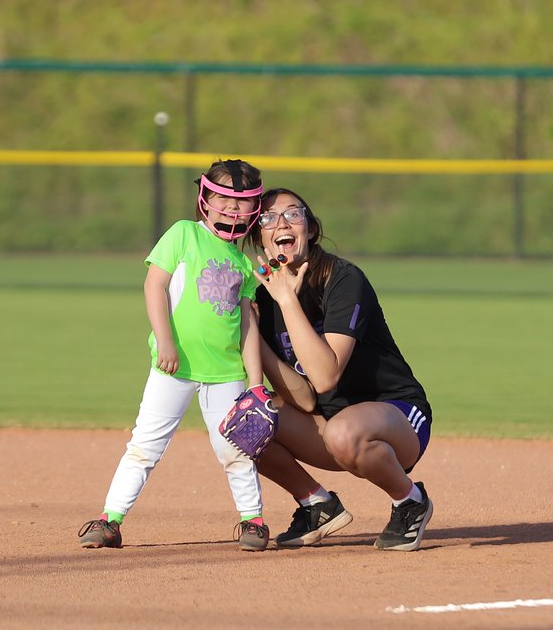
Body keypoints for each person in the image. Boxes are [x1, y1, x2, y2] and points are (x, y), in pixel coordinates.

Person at [78, 159, 272, 551]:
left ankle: (253, 521)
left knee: (236, 450)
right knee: (145, 445)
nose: (233, 209)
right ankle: (110, 519)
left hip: (226, 371)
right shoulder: (184, 234)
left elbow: (248, 326)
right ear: (206, 198)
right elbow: (155, 285)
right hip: (174, 366)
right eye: (224, 199)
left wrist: (255, 382)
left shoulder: (243, 263)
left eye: (242, 202)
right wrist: (164, 339)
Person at [248, 188, 434, 551]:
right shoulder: (266, 299)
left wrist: (287, 300)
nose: (281, 223)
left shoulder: (343, 279)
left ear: (311, 228)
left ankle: (409, 500)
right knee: (247, 422)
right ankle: (317, 504)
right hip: (331, 424)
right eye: (268, 219)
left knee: (343, 432)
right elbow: (303, 399)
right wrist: (256, 334)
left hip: (397, 416)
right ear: (260, 239)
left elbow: (326, 377)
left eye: (293, 214)